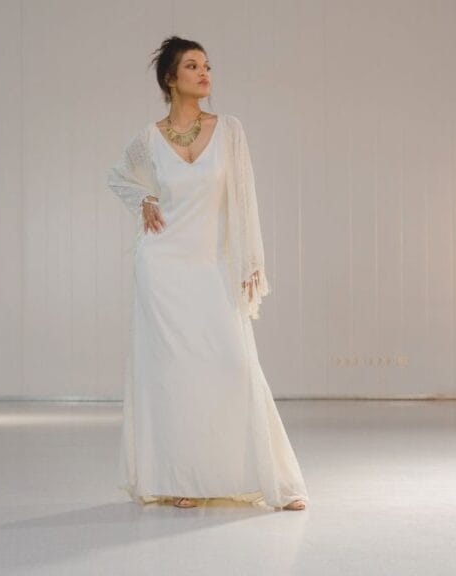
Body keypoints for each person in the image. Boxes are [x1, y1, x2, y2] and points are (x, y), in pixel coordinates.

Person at [107, 36, 308, 511]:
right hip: (161, 269)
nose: (204, 74)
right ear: (170, 79)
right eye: (192, 66)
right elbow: (118, 176)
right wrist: (145, 198)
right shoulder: (149, 138)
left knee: (236, 365)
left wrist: (248, 260)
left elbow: (244, 198)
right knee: (172, 373)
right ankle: (180, 479)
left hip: (213, 265)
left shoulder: (229, 130)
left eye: (207, 66)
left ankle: (272, 481)